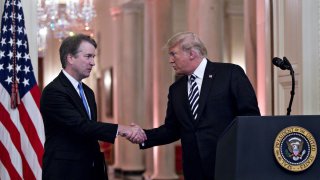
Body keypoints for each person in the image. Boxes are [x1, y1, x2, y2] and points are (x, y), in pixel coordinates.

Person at [139, 32, 260, 180]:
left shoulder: (230, 73)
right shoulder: (176, 89)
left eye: (173, 54)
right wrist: (143, 136)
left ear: (191, 53)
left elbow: (250, 118)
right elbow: (172, 129)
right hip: (193, 170)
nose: (170, 60)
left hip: (228, 165)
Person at [40, 34, 146, 180]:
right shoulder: (54, 91)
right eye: (88, 56)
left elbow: (90, 132)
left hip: (91, 170)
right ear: (70, 58)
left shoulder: (88, 92)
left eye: (93, 57)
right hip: (65, 172)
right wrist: (122, 129)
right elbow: (81, 125)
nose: (93, 63)